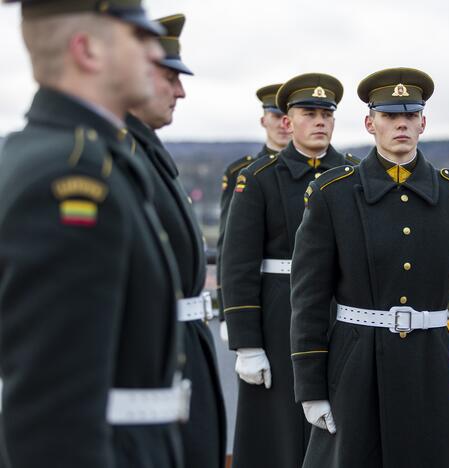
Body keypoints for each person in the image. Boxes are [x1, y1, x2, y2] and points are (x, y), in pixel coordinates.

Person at [290, 67, 449, 468]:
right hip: (355, 363)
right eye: (388, 116)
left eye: (410, 115)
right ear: (370, 123)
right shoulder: (333, 195)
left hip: (429, 363)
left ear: (423, 123)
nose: (401, 123)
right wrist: (310, 386)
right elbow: (309, 296)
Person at [0, 1, 190, 467]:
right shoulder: (70, 177)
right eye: (139, 39)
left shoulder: (82, 157)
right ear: (87, 51)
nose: (154, 54)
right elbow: (53, 410)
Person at [220, 73, 357, 468]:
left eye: (326, 114)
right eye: (308, 113)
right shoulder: (258, 179)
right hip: (278, 315)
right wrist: (247, 342)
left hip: (337, 311)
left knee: (340, 424)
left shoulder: (352, 174)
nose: (319, 122)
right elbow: (238, 262)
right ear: (288, 122)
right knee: (275, 429)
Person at [126, 14, 226, 468]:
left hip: (180, 350)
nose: (181, 92)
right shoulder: (122, 156)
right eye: (171, 78)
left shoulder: (145, 150)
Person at [216, 83, 292, 334]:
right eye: (276, 116)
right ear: (263, 120)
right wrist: (230, 310)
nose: (283, 123)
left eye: (287, 116)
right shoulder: (242, 173)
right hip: (264, 293)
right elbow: (228, 243)